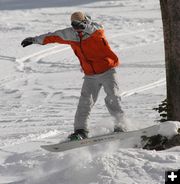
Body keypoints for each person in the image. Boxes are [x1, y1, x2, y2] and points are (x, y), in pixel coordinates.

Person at [21, 11, 126, 141]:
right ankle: (81, 131)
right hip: (90, 75)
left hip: (107, 70)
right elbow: (53, 36)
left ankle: (121, 125)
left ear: (85, 21)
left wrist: (84, 27)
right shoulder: (71, 33)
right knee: (84, 102)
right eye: (73, 24)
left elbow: (96, 31)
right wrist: (34, 40)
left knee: (112, 97)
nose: (75, 27)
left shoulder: (95, 29)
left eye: (78, 23)